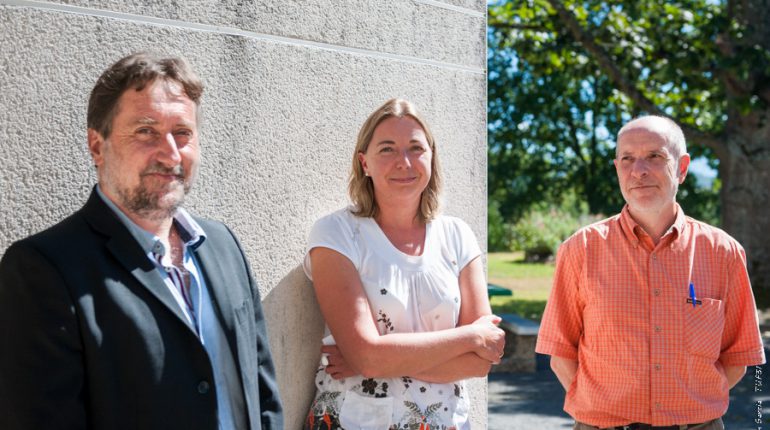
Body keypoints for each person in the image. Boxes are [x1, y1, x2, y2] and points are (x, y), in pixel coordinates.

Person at [0, 52, 283, 430]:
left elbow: (263, 394)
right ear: (97, 147)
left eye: (182, 133)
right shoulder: (42, 269)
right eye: (146, 131)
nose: (169, 154)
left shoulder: (223, 244)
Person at [536, 115, 766, 430]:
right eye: (627, 159)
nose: (639, 171)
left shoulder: (723, 252)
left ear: (682, 168)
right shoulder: (580, 250)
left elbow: (738, 356)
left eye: (655, 157)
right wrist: (604, 409)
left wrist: (691, 406)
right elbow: (560, 353)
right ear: (617, 168)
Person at [302, 98, 504, 429]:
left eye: (415, 148)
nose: (404, 161)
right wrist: (469, 336)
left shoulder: (457, 235)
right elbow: (366, 356)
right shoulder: (336, 233)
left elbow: (481, 362)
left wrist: (382, 361)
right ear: (364, 162)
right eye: (387, 149)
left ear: (432, 157)